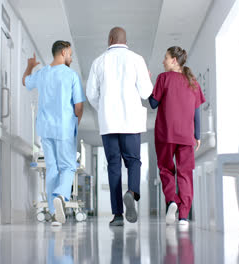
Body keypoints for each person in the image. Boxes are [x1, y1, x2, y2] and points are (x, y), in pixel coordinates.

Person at [87, 27, 153, 226]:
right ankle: (131, 193)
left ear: (109, 39)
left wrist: (103, 108)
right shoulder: (137, 59)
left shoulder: (98, 62)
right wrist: (147, 78)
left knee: (113, 166)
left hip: (109, 122)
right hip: (131, 121)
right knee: (134, 161)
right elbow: (146, 92)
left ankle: (117, 216)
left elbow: (91, 94)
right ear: (126, 40)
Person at [22, 41, 85, 226]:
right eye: (70, 55)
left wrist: (29, 66)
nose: (71, 58)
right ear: (64, 52)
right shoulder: (71, 75)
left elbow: (25, 81)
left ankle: (53, 212)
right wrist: (75, 123)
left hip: (45, 129)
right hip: (64, 128)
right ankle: (60, 196)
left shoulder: (42, 74)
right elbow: (79, 106)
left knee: (52, 169)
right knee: (68, 167)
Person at [149, 46, 205, 229]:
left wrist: (147, 82)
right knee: (185, 174)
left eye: (165, 58)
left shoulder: (163, 78)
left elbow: (153, 103)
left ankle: (172, 200)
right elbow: (197, 112)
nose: (163, 61)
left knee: (166, 170)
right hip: (187, 136)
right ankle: (183, 217)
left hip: (166, 134)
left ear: (174, 60)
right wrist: (197, 135)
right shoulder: (192, 81)